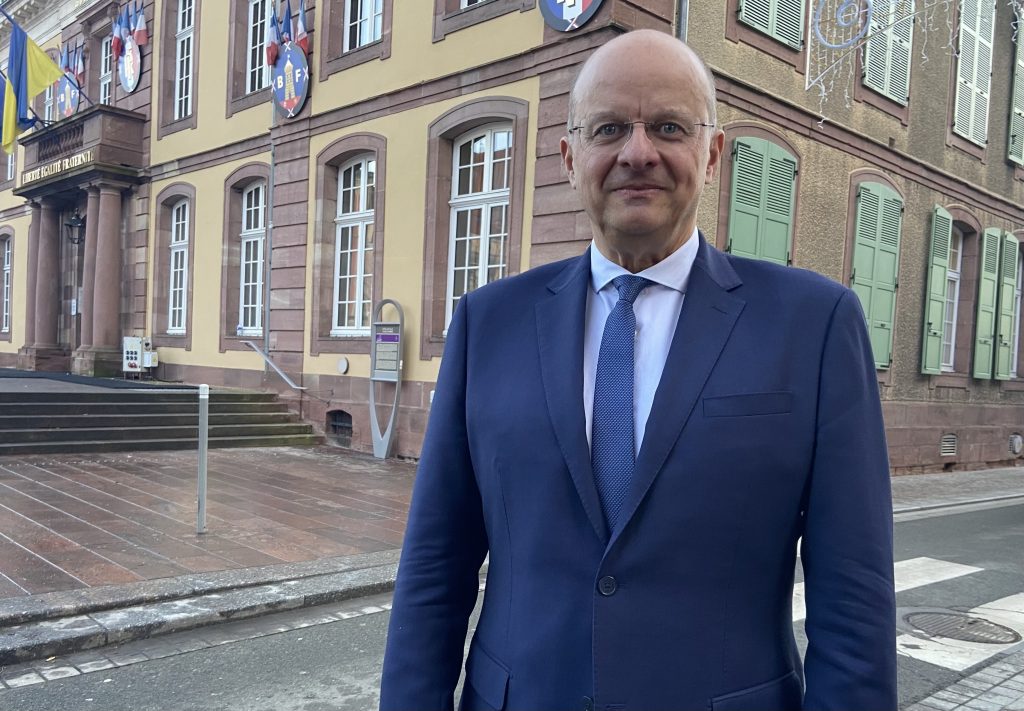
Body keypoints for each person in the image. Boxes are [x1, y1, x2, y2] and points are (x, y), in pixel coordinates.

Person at [380, 29, 896, 711]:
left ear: (711, 155)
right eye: (610, 127)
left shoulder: (814, 325)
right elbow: (433, 568)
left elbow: (854, 595)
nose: (638, 152)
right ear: (570, 157)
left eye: (669, 126)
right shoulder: (488, 325)